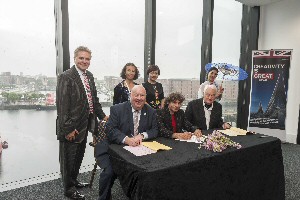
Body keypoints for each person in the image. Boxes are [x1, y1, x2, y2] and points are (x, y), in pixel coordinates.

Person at [56, 46, 109, 200]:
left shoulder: (89, 76)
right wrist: (68, 129)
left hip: (85, 125)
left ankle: (74, 181)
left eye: (87, 59)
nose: (84, 61)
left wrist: (103, 116)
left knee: (78, 157)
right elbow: (62, 106)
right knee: (68, 160)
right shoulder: (66, 76)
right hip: (71, 128)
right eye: (81, 58)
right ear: (75, 58)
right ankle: (69, 190)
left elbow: (94, 101)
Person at [95, 85, 158, 200]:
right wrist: (126, 139)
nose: (139, 98)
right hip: (113, 149)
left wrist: (142, 135)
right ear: (130, 96)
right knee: (109, 173)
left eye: (142, 95)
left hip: (138, 150)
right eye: (136, 95)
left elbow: (154, 130)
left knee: (151, 170)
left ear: (145, 97)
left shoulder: (151, 111)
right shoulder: (117, 109)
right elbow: (110, 130)